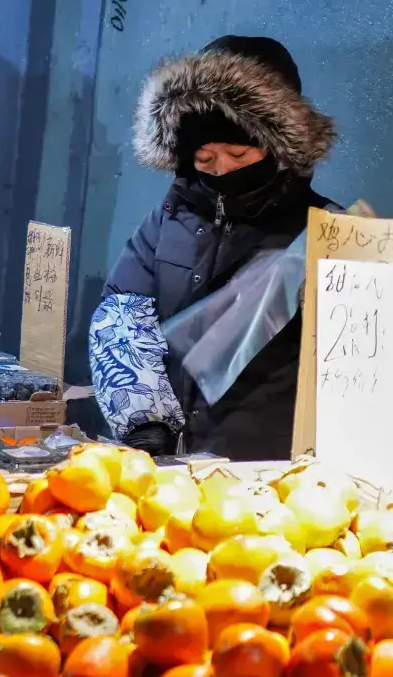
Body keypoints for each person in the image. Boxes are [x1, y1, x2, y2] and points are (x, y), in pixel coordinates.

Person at [91, 35, 339, 460]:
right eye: (205, 159)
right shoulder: (169, 218)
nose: (221, 171)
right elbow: (123, 313)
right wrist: (145, 426)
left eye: (238, 154)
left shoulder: (326, 232)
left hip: (267, 471)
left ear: (277, 148)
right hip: (168, 460)